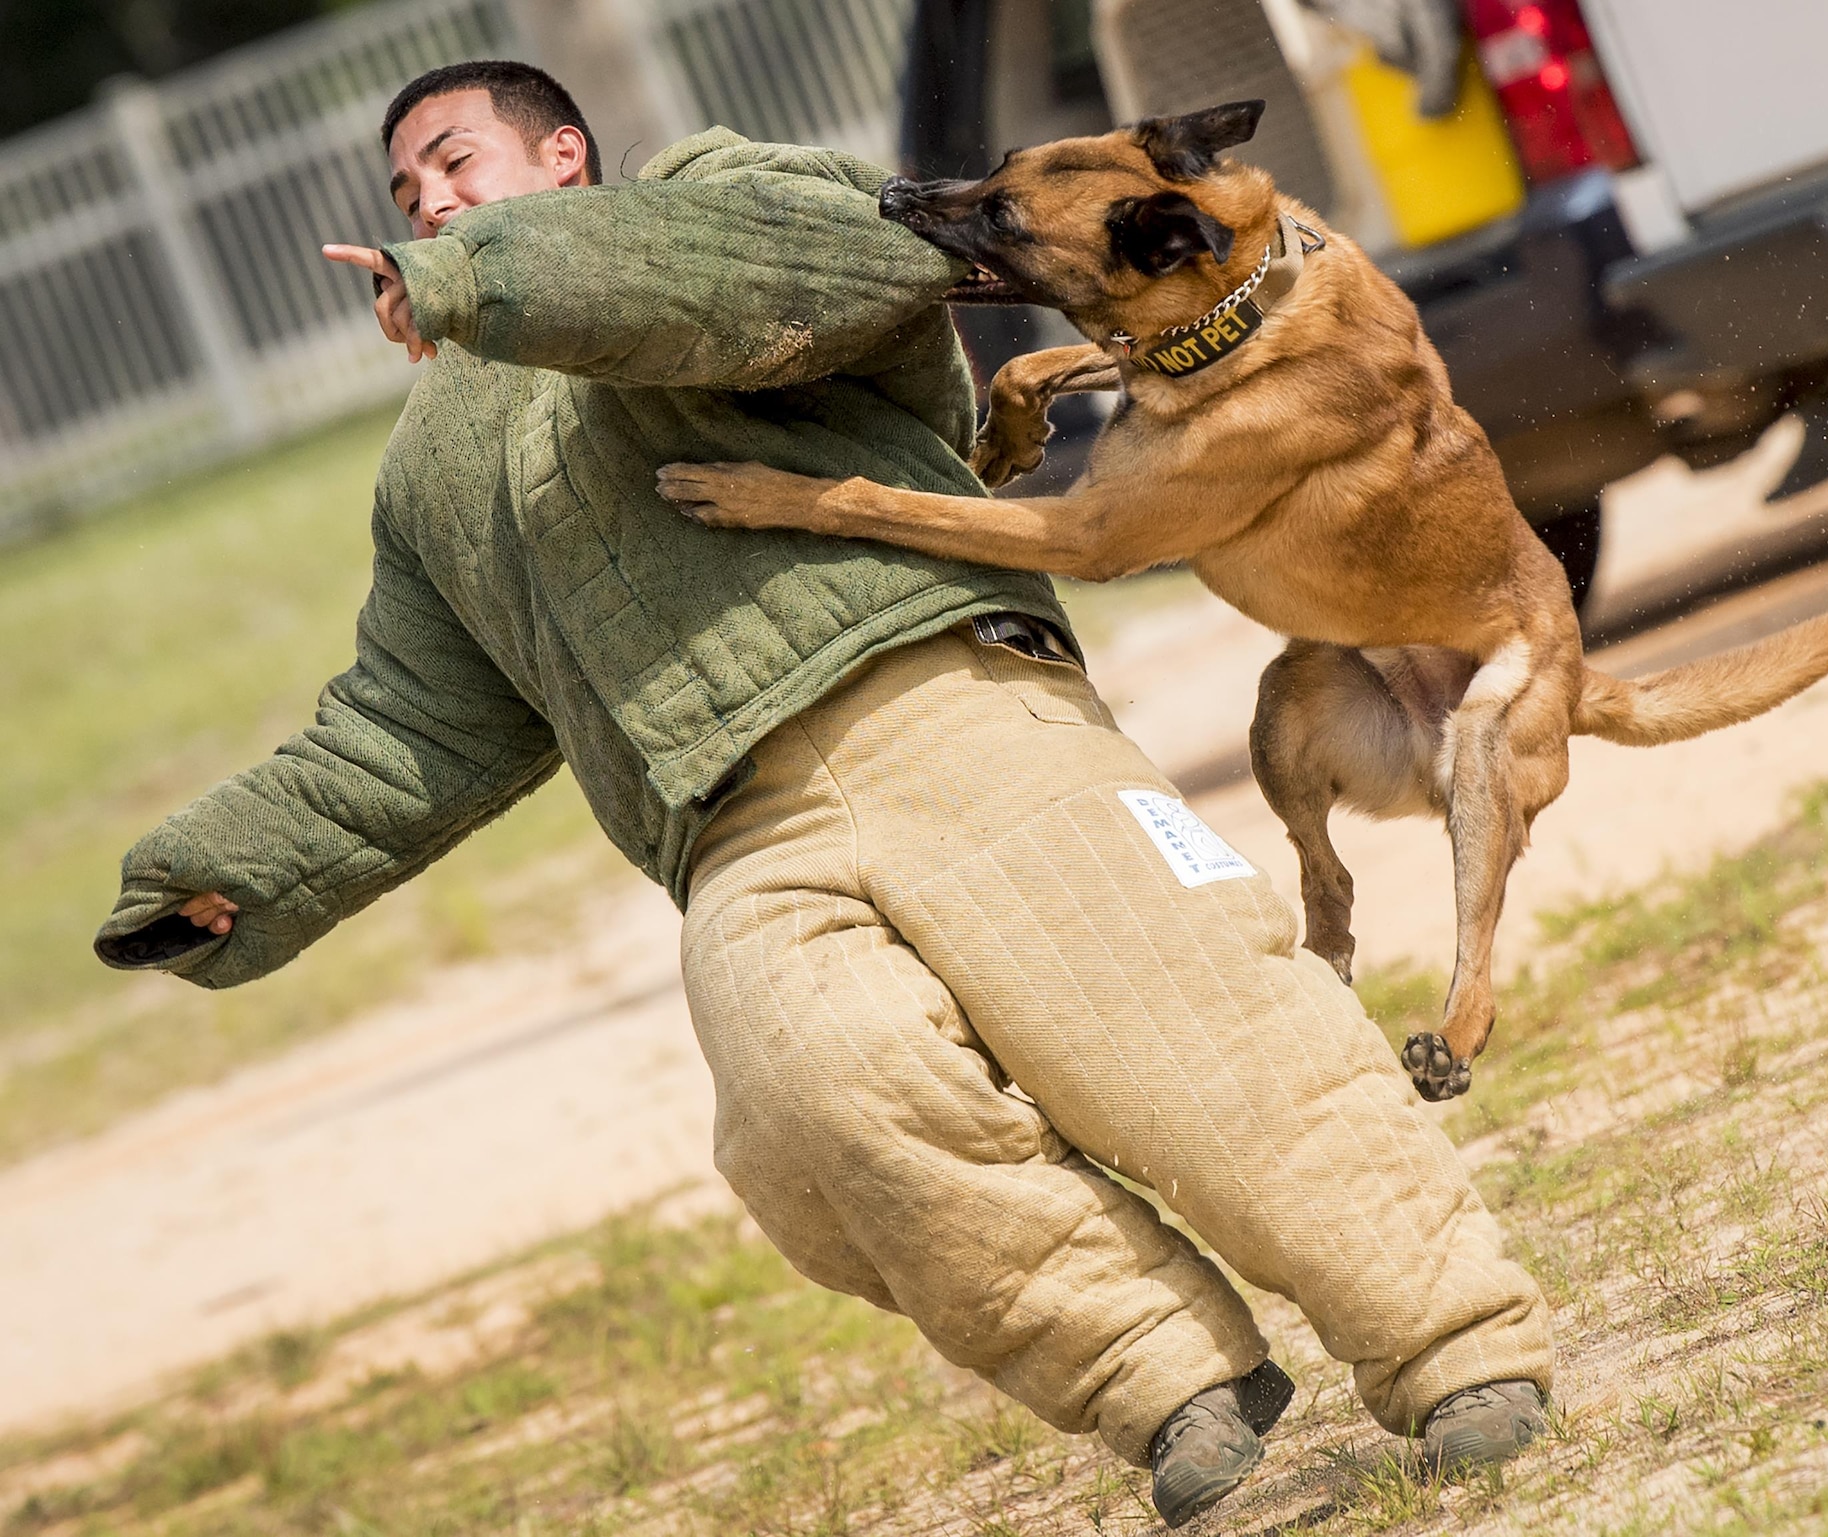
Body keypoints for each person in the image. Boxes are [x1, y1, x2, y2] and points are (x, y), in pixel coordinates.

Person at [94, 58, 1554, 1527]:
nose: (432, 203)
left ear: (562, 159)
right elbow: (410, 719)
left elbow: (752, 285)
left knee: (1187, 1017)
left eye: (459, 166)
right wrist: (236, 872)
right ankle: (1156, 1368)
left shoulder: (732, 195)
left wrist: (483, 275)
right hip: (733, 832)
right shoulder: (429, 474)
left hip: (955, 699)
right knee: (807, 1113)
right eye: (409, 195)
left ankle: (1457, 1342)